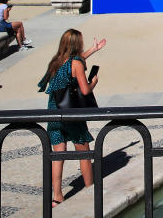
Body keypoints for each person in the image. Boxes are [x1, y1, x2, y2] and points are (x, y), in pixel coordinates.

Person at [42, 29, 105, 207]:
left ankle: (57, 195)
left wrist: (93, 50)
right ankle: (90, 190)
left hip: (54, 111)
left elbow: (72, 63)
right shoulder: (76, 63)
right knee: (83, 151)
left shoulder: (56, 61)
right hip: (70, 113)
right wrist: (94, 82)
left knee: (58, 154)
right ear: (77, 44)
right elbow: (84, 90)